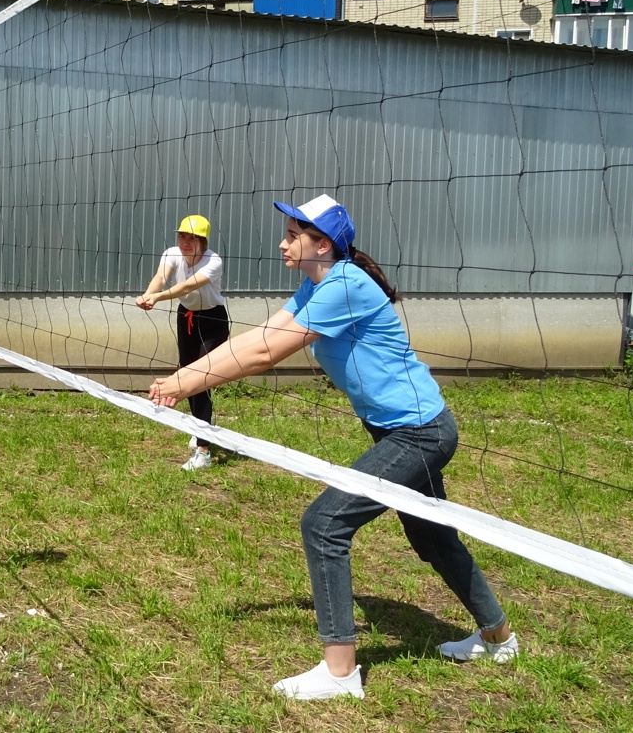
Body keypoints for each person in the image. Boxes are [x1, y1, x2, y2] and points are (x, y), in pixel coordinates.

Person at [149, 194, 518, 699]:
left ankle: (340, 673)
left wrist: (182, 383)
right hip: (399, 430)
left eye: (292, 235)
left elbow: (262, 354)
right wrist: (182, 376)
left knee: (324, 523)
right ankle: (498, 638)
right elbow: (263, 334)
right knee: (432, 539)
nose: (282, 243)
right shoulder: (317, 284)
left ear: (322, 243)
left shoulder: (344, 285)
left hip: (420, 433)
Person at [135, 215, 231, 470]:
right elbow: (160, 277)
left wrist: (157, 298)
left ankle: (204, 450)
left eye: (192, 238)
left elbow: (187, 286)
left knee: (200, 379)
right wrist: (147, 294)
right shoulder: (171, 253)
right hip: (186, 317)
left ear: (203, 241)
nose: (185, 242)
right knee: (186, 374)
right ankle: (201, 424)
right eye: (182, 236)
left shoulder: (213, 260)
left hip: (212, 321)